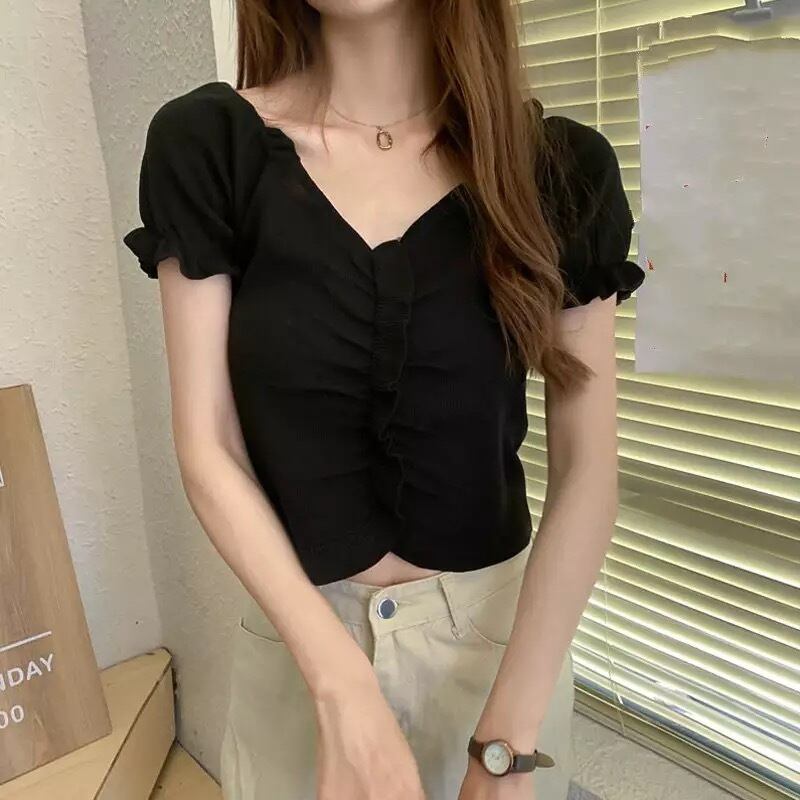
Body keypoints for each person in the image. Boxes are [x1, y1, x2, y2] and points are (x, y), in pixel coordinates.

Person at [123, 1, 645, 798]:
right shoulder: (209, 146)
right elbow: (208, 445)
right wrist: (342, 689)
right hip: (301, 657)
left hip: (504, 670)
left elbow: (588, 474)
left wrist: (505, 745)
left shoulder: (561, 170)